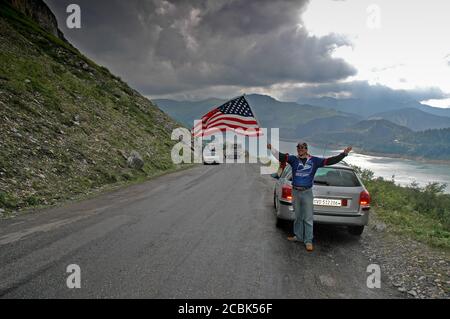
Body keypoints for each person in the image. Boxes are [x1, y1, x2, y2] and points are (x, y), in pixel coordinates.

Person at [267, 142, 352, 252]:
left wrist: (343, 154)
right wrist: (272, 148)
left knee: (307, 217)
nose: (300, 150)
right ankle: (298, 237)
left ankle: (308, 241)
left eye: (302, 148)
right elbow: (281, 157)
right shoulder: (293, 159)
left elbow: (330, 161)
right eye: (298, 148)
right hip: (295, 191)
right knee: (297, 216)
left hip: (307, 192)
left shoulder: (315, 160)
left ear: (306, 149)